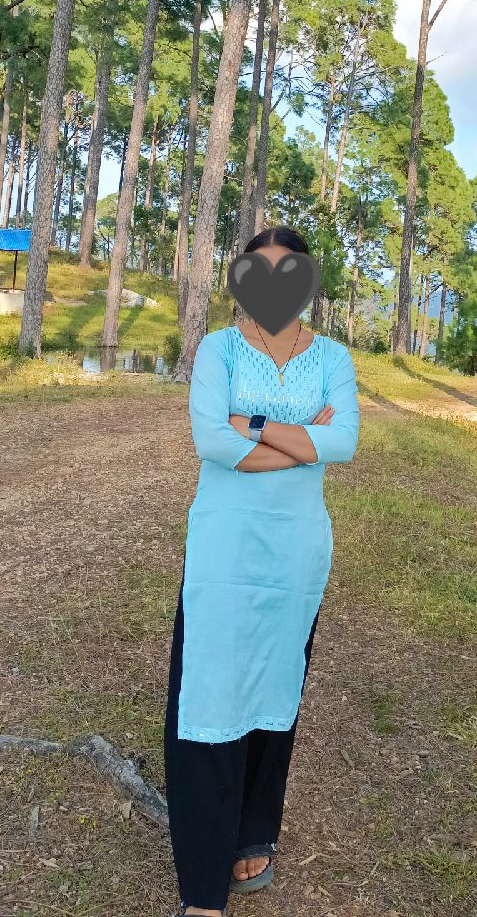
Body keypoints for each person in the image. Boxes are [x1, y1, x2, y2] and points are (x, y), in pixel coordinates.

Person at [164, 226, 360, 917]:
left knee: (276, 686)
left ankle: (253, 829)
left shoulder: (333, 357)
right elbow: (210, 440)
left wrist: (250, 423)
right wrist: (303, 442)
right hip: (225, 545)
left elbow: (345, 440)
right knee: (208, 692)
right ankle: (202, 882)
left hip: (296, 550)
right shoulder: (218, 349)